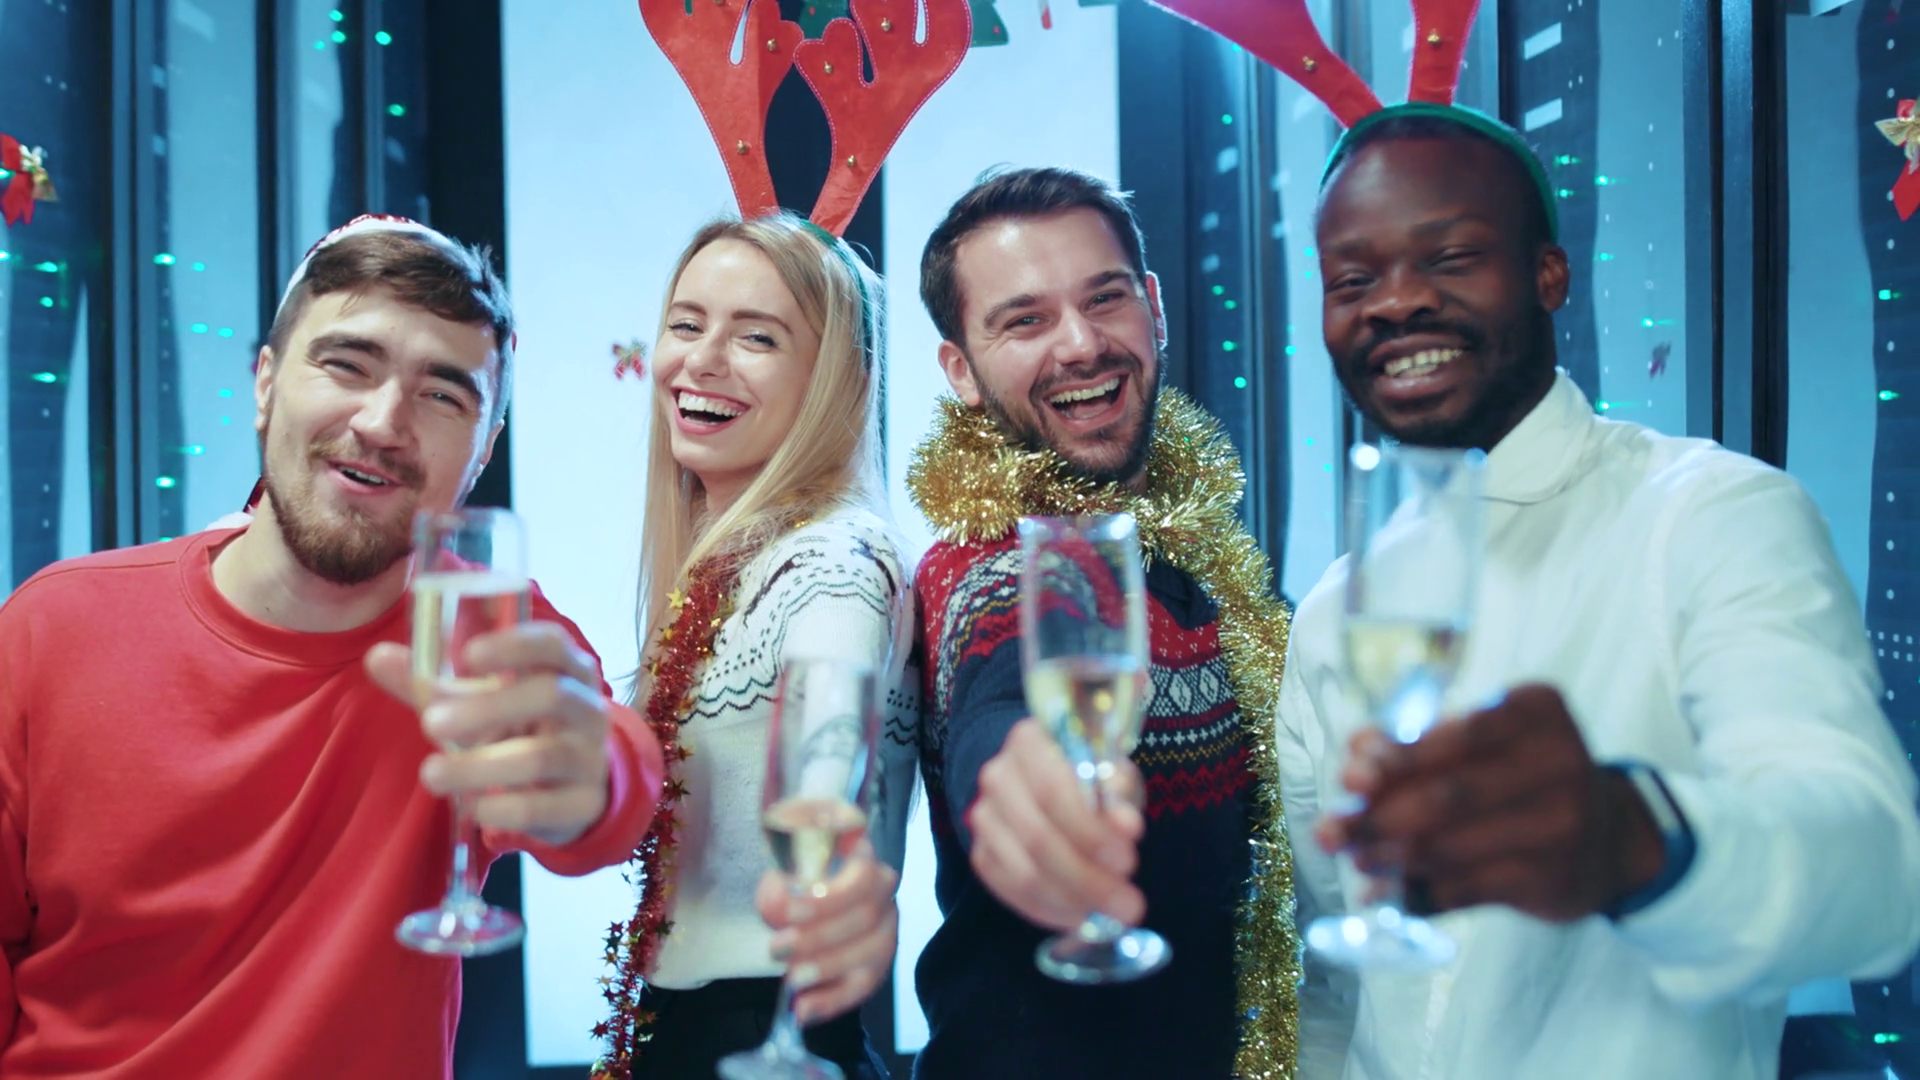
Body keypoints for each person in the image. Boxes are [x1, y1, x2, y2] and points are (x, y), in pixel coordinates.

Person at [1278, 108, 1920, 1079]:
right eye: (1352, 280)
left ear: (1549, 274)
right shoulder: (1336, 609)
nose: (1396, 302)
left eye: (1450, 257)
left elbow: (1878, 880)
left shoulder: (1712, 514)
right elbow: (1336, 980)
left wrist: (1632, 836)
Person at [0, 215, 666, 1077]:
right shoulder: (53, 625)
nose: (384, 422)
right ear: (265, 384)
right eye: (347, 365)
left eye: (443, 396)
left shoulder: (484, 631)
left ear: (482, 452)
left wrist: (590, 781)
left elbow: (609, 773)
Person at [905, 166, 1318, 1080]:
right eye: (1025, 321)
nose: (1082, 345)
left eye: (1105, 298)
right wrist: (1023, 787)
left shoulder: (1204, 548)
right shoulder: (987, 568)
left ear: (1154, 308)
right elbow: (1000, 693)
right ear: (961, 371)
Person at [592, 214, 915, 1080]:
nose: (700, 361)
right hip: (686, 1032)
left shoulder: (831, 564)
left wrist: (826, 843)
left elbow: (828, 777)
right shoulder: (735, 560)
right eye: (687, 324)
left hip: (765, 1039)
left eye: (757, 337)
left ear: (833, 381)